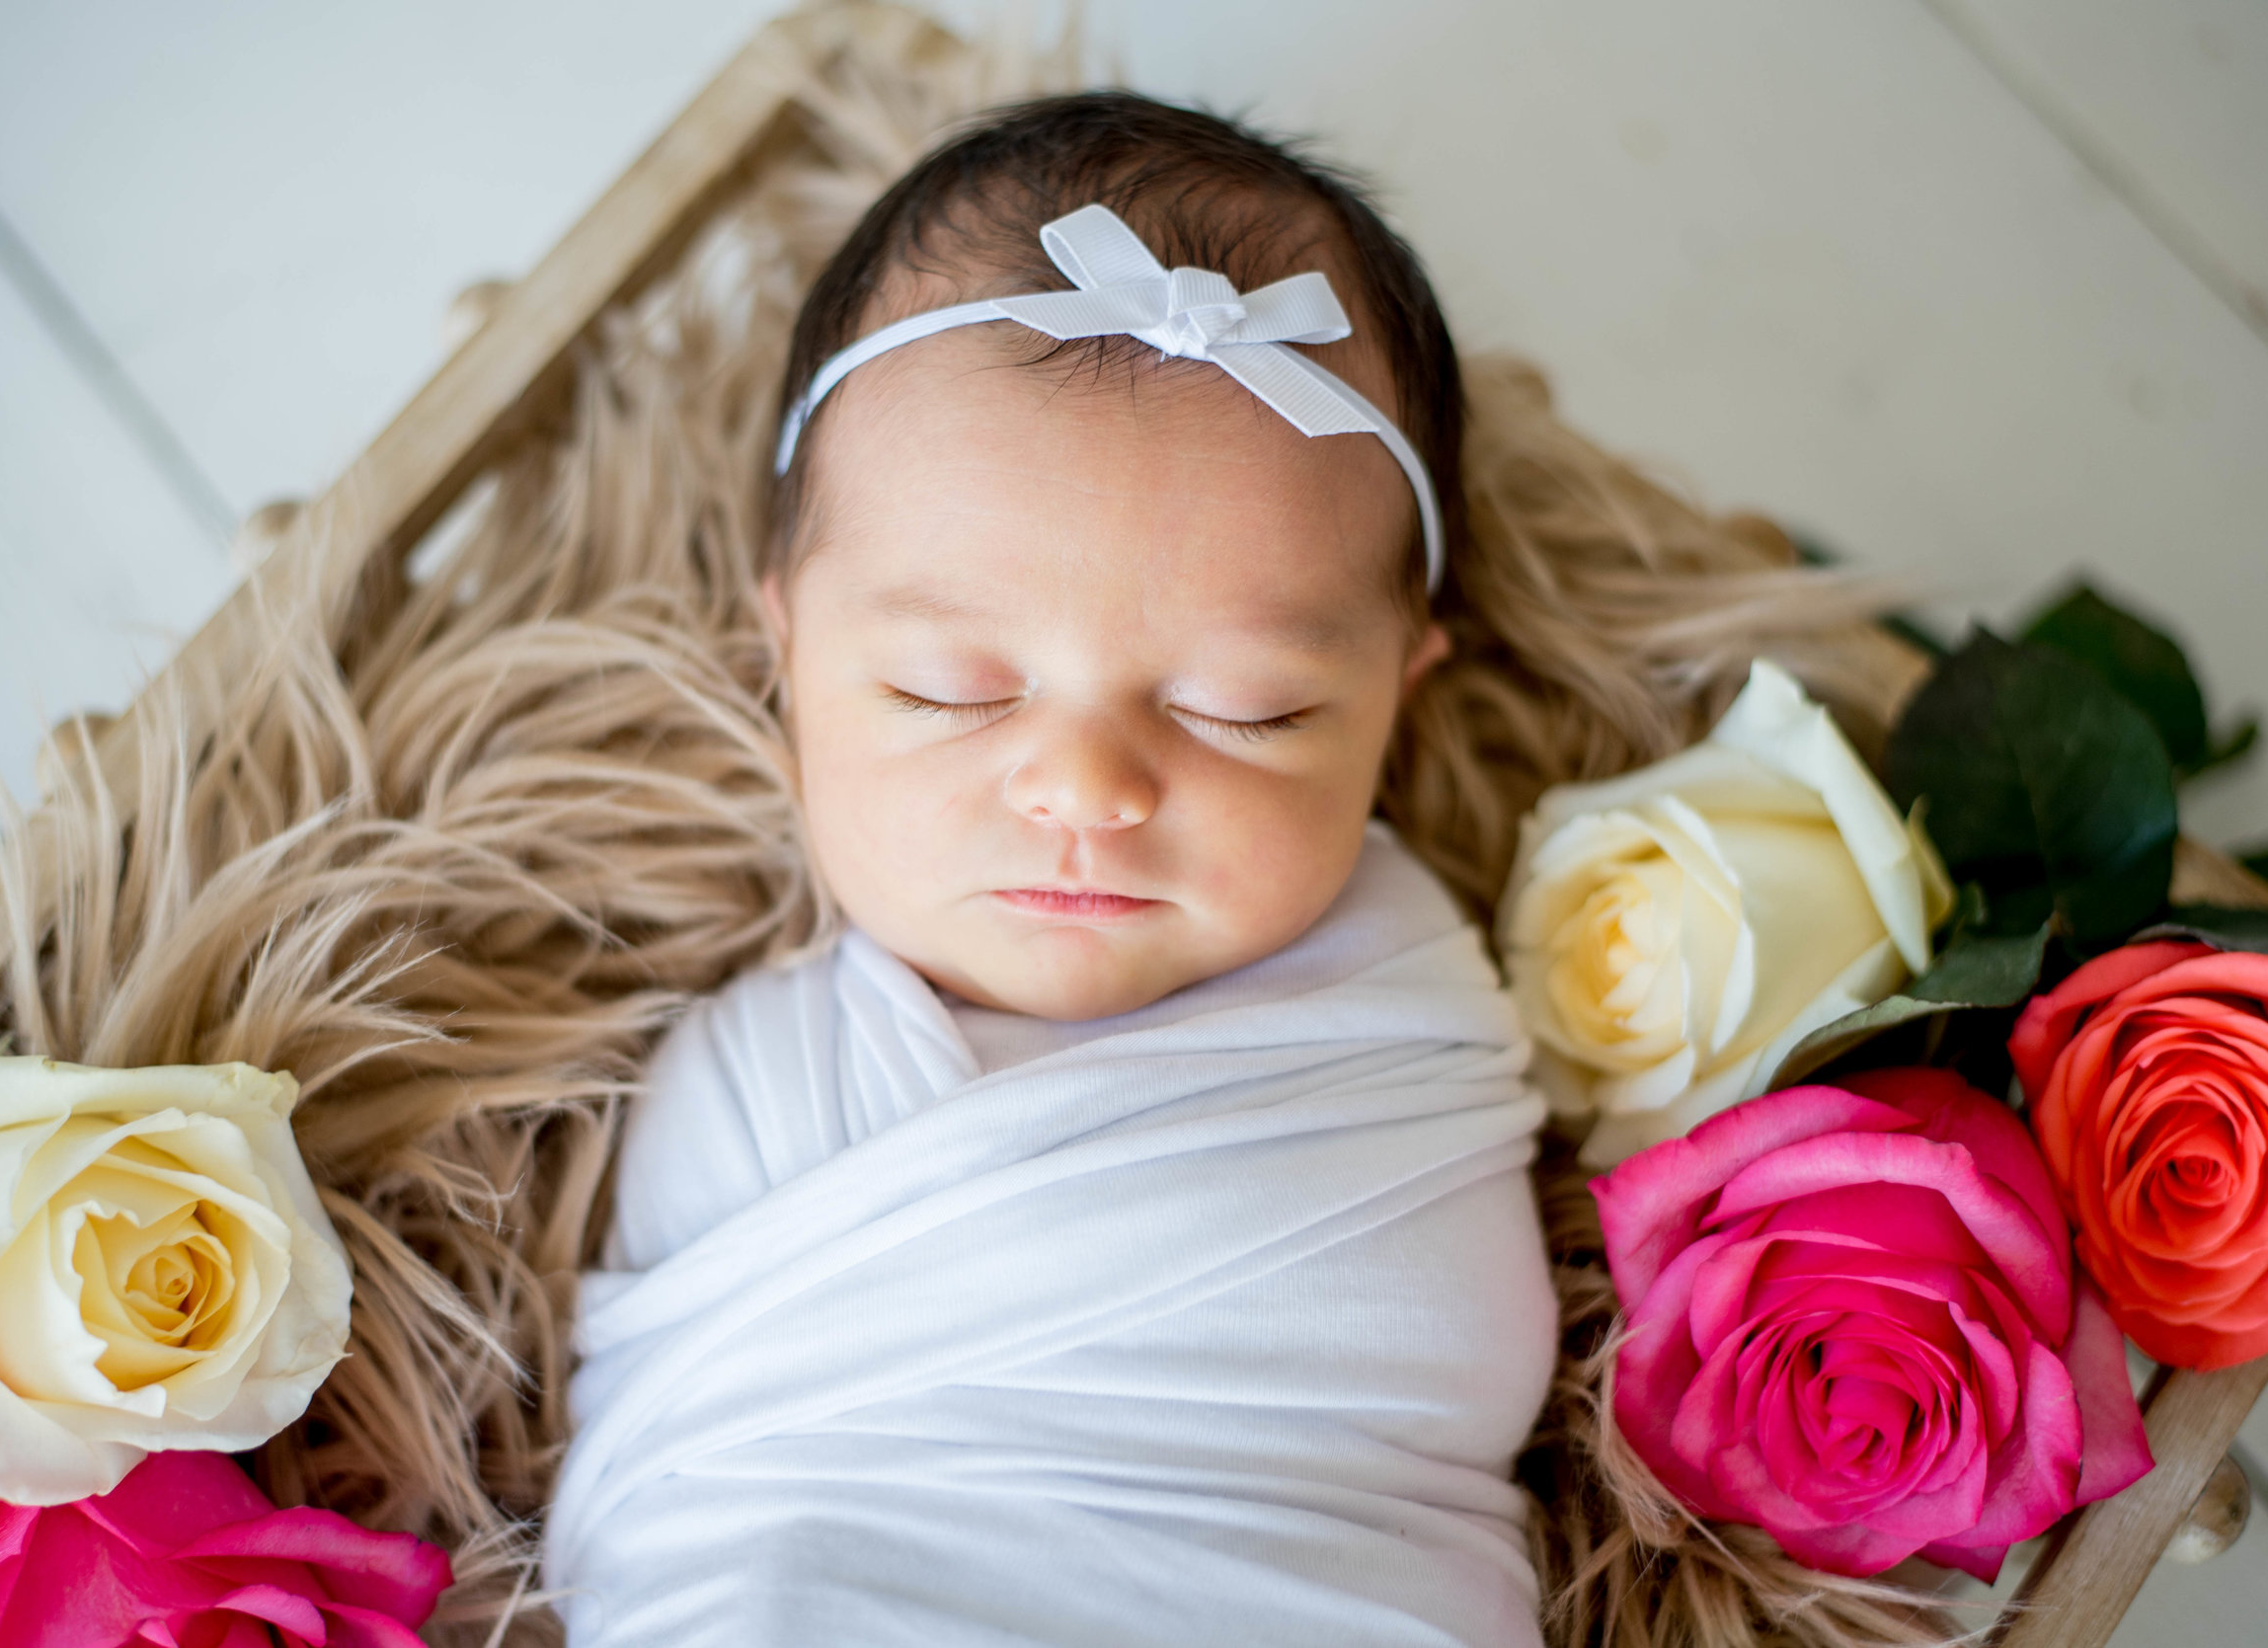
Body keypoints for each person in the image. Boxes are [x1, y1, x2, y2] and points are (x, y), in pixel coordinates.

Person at [544, 92, 1553, 1647]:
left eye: (1251, 711)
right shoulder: (755, 1086)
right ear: (791, 651)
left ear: (1399, 697)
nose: (1088, 786)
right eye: (952, 686)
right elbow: (687, 1493)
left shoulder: (1415, 1028)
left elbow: (1424, 1387)